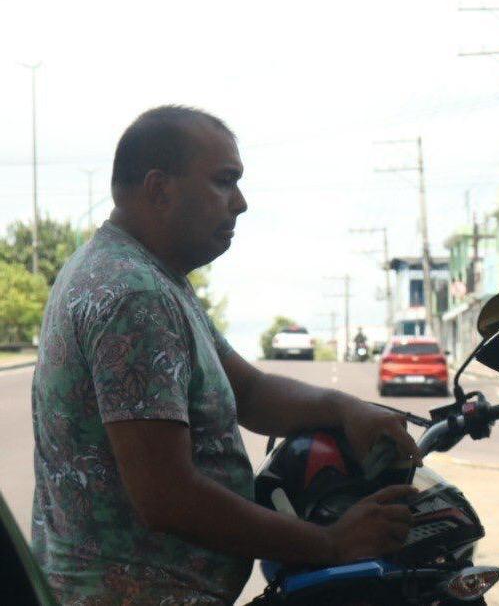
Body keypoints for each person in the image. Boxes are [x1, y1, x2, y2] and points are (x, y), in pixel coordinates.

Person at [31, 106, 420, 605]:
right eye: (224, 181)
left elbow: (251, 393)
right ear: (159, 189)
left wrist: (347, 409)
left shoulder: (147, 276)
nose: (240, 203)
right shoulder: (134, 294)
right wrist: (331, 543)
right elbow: (167, 497)